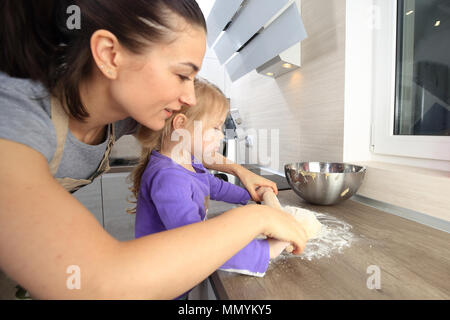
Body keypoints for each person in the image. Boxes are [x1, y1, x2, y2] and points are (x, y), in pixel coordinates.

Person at [0, 0, 307, 299]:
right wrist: (258, 220)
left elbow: (194, 149)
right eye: (182, 75)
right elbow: (97, 284)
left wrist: (238, 171)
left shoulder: (130, 113)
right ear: (109, 54)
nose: (189, 96)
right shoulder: (16, 116)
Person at [130, 79, 290, 299]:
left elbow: (214, 186)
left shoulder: (187, 161)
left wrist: (252, 196)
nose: (221, 135)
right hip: (160, 286)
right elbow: (197, 245)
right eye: (215, 127)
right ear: (181, 125)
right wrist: (266, 251)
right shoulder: (169, 178)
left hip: (177, 276)